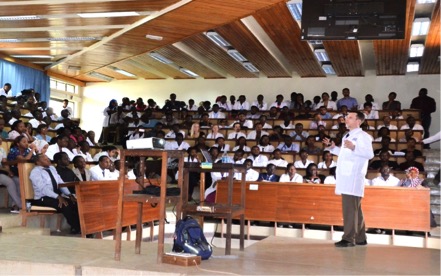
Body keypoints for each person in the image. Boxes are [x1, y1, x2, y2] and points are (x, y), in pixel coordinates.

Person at [324, 111, 374, 247]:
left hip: (353, 176)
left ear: (358, 121)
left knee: (350, 208)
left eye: (350, 117)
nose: (346, 119)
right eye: (347, 117)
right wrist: (333, 148)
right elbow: (344, 154)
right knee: (355, 207)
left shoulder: (363, 136)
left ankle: (348, 238)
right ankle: (360, 237)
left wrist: (354, 147)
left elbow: (370, 154)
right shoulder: (347, 135)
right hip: (347, 176)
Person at [29, 154, 81, 234]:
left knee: (74, 203)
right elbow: (43, 188)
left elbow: (60, 183)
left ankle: (81, 226)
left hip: (55, 197)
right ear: (38, 162)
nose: (48, 160)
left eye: (48, 158)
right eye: (45, 159)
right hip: (42, 198)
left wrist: (69, 195)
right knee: (65, 204)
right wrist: (58, 197)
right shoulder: (35, 172)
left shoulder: (52, 168)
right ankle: (77, 227)